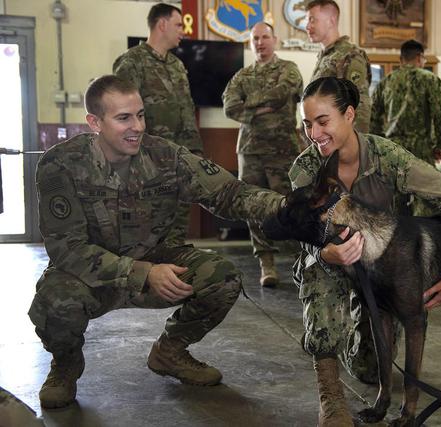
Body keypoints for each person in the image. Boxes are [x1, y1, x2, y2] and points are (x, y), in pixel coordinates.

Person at [28, 75, 285, 410]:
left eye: (141, 114)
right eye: (123, 118)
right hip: (92, 273)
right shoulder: (59, 164)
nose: (137, 126)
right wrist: (144, 272)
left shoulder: (165, 156)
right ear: (94, 122)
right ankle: (65, 365)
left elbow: (227, 193)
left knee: (221, 278)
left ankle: (170, 352)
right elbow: (68, 250)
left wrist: (286, 209)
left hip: (157, 257)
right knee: (55, 302)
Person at [290, 77, 441, 425]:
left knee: (368, 366)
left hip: (380, 272)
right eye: (307, 124)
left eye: (322, 122)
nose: (314, 134)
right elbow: (302, 229)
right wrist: (323, 254)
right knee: (316, 273)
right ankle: (331, 397)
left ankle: (349, 335)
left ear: (349, 115)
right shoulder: (305, 168)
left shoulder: (387, 156)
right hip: (333, 265)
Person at [113, 2, 202, 247]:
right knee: (147, 226)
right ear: (162, 24)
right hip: (147, 162)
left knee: (178, 221)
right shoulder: (131, 63)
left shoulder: (177, 65)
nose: (182, 31)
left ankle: (172, 264)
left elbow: (187, 109)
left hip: (180, 158)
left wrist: (195, 153)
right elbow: (122, 114)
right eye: (177, 25)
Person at [222, 22, 303, 288]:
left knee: (289, 206)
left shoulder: (288, 69)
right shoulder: (242, 76)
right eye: (255, 38)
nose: (260, 42)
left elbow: (281, 95)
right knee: (253, 208)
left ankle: (301, 261)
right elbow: (229, 106)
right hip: (250, 151)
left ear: (275, 39)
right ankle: (266, 264)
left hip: (283, 150)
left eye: (265, 37)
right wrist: (261, 109)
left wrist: (250, 104)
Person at [370, 39, 441, 166]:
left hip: (393, 152)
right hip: (421, 152)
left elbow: (373, 119)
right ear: (419, 58)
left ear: (401, 59)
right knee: (421, 185)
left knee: (393, 185)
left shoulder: (385, 82)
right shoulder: (430, 80)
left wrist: (381, 147)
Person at [305, 0, 372, 133]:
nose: (307, 26)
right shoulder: (325, 57)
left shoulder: (350, 55)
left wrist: (355, 148)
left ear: (331, 20)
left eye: (312, 20)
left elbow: (359, 107)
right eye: (307, 21)